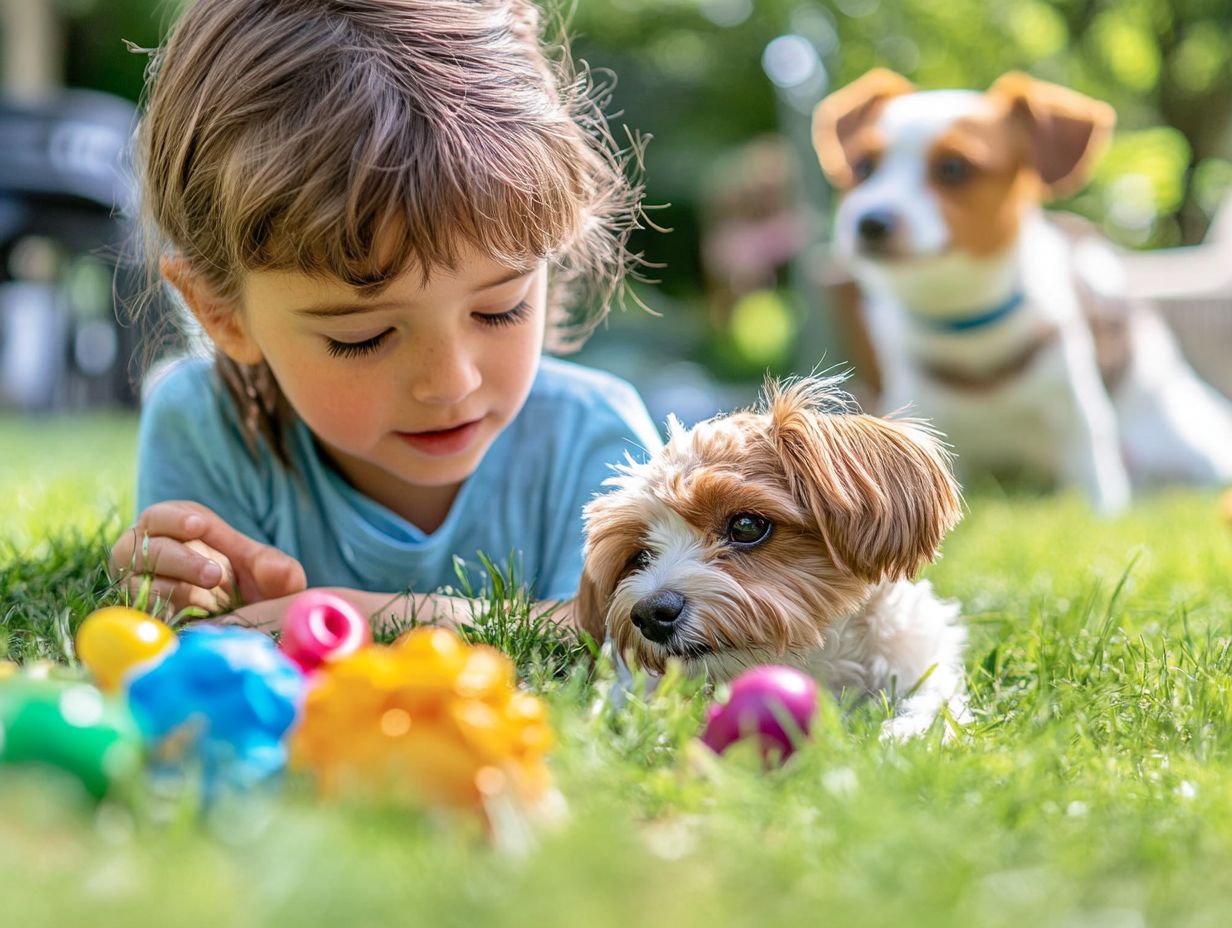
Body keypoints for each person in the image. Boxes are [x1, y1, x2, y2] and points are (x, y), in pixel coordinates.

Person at [109, 0, 661, 633]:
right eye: (362, 337)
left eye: (500, 308)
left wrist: (365, 618)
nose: (451, 383)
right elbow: (198, 634)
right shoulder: (209, 425)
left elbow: (625, 636)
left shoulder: (592, 439)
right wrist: (184, 587)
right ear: (221, 313)